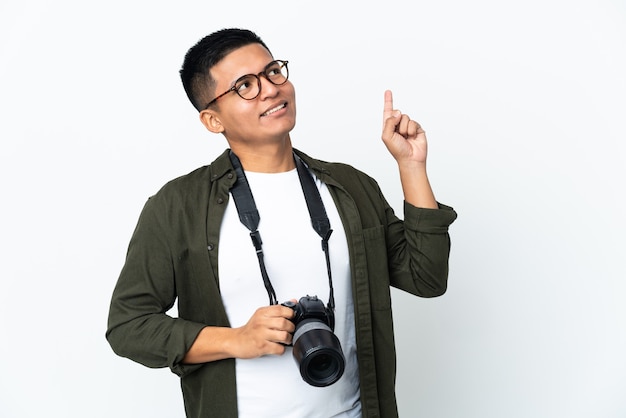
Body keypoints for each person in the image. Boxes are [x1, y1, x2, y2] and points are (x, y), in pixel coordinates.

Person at [106, 28, 457, 418]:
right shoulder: (177, 206)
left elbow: (426, 278)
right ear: (212, 119)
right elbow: (128, 327)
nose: (270, 89)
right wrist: (237, 340)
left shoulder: (350, 186)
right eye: (244, 86)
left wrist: (411, 166)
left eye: (273, 71)